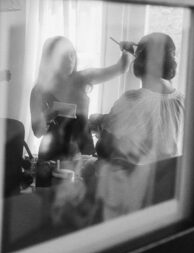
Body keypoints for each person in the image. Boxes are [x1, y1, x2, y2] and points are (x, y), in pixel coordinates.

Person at [90, 32, 185, 219]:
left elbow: (104, 149)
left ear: (140, 62)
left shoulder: (131, 100)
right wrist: (135, 49)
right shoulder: (181, 99)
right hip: (166, 192)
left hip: (134, 197)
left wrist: (100, 123)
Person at [30, 36, 134, 165]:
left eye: (71, 54)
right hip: (52, 156)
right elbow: (38, 133)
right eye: (63, 56)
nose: (69, 60)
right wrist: (47, 116)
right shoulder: (39, 90)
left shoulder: (84, 77)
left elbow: (121, 68)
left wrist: (127, 50)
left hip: (84, 152)